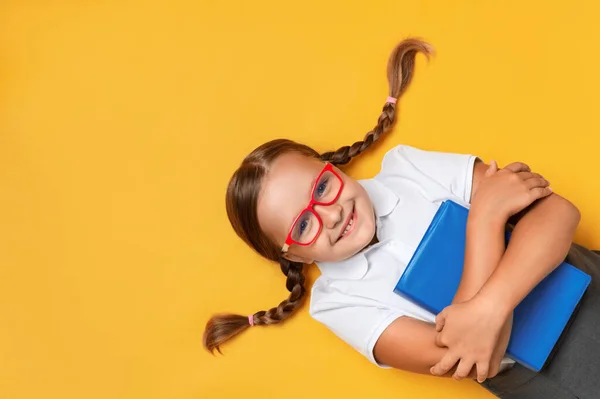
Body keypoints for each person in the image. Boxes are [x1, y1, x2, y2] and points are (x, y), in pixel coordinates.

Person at [203, 38, 600, 398]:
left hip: (589, 285)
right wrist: (485, 219)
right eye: (303, 225)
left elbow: (559, 213)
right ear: (294, 255)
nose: (331, 213)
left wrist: (489, 308)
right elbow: (466, 357)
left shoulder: (405, 167)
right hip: (553, 380)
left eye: (322, 188)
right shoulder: (337, 303)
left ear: (333, 168)